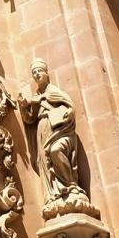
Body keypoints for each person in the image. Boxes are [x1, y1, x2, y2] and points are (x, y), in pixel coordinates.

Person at [18, 59, 90, 216]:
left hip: (59, 129)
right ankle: (54, 194)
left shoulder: (53, 91)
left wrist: (67, 112)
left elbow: (69, 106)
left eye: (39, 71)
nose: (37, 74)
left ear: (46, 73)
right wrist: (23, 107)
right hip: (42, 130)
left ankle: (70, 185)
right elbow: (30, 119)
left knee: (56, 150)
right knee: (44, 161)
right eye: (34, 73)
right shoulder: (36, 96)